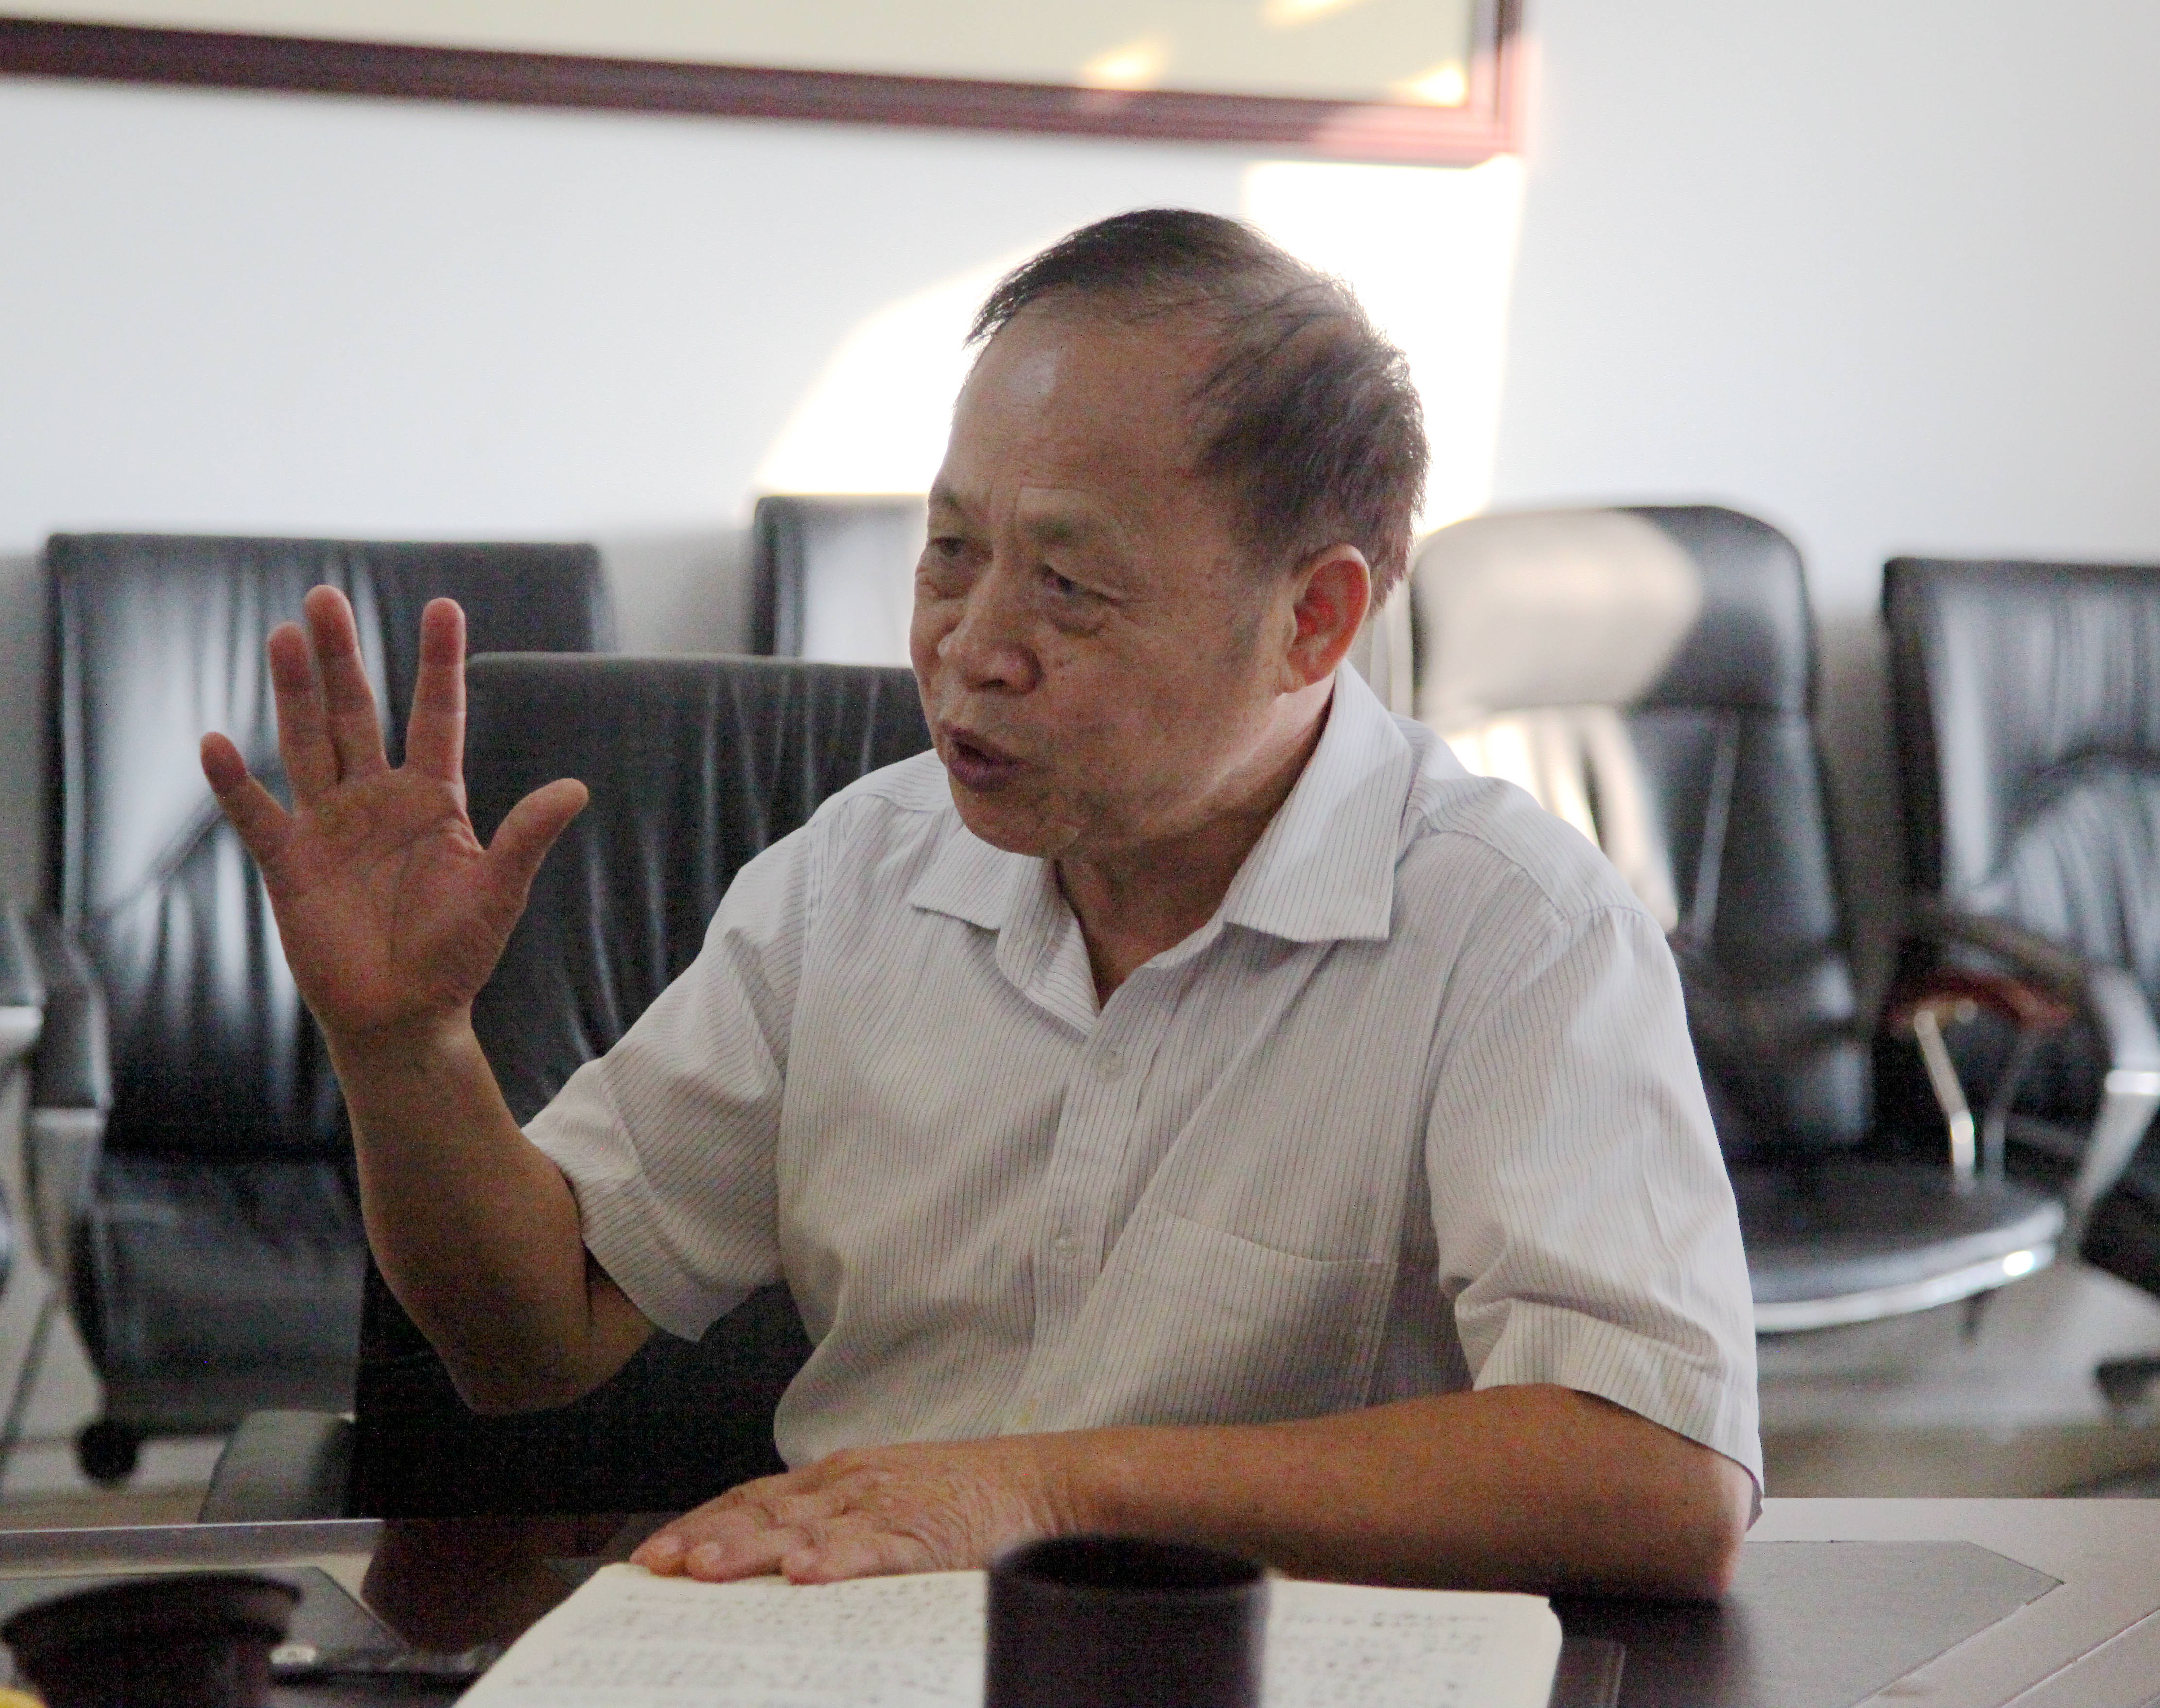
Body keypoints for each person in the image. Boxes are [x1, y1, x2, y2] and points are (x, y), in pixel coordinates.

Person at [203, 210, 1759, 1598]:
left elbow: (1657, 1474)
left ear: (1314, 616)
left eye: (1068, 587)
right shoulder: (854, 876)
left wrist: (1046, 1491)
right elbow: (527, 1335)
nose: (969, 645)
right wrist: (403, 1048)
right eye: (950, 551)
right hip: (832, 1654)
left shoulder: (1513, 930)